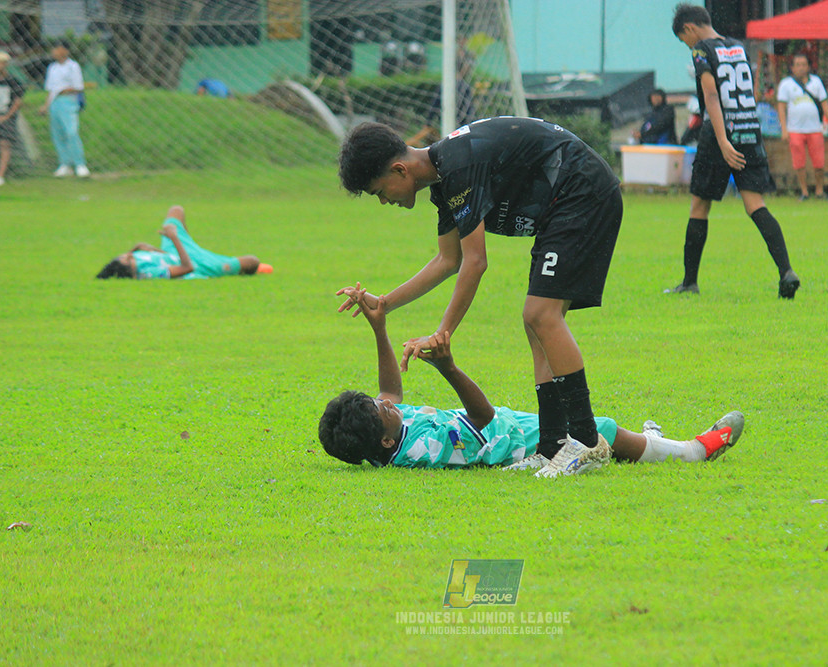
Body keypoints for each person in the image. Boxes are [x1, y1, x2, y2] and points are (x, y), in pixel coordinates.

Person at [336, 116, 623, 477]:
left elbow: (476, 261)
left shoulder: (458, 166)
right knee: (536, 324)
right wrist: (385, 302)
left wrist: (443, 334)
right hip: (563, 206)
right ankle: (552, 446)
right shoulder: (444, 180)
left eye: (380, 191)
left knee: (541, 314)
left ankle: (585, 440)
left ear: (399, 170)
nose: (383, 201)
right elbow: (448, 260)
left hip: (583, 193)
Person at [320, 284, 745, 472]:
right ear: (387, 441)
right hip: (514, 443)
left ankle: (651, 444)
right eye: (383, 412)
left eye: (379, 404)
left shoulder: (382, 445)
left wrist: (379, 327)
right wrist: (449, 367)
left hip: (509, 427)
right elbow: (483, 421)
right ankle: (691, 452)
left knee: (591, 425)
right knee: (599, 431)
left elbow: (390, 390)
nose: (388, 404)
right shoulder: (426, 448)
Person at [666, 4, 800, 299]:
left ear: (689, 29)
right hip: (749, 129)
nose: (687, 45)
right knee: (755, 204)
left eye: (683, 39)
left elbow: (712, 94)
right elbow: (748, 91)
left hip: (719, 134)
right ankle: (786, 270)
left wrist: (723, 140)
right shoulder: (738, 47)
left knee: (699, 205)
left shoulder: (702, 50)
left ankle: (689, 282)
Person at [95, 205, 272, 280]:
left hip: (177, 251)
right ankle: (237, 267)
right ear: (129, 271)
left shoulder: (136, 258)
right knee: (252, 261)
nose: (129, 255)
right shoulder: (149, 273)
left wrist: (147, 248)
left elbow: (165, 258)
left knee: (176, 211)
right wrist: (174, 238)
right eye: (127, 259)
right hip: (197, 263)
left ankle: (191, 244)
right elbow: (187, 268)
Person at [777, 53, 828, 201]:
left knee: (819, 162)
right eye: (798, 65)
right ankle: (804, 191)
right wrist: (784, 129)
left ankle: (819, 190)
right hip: (795, 129)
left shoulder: (816, 82)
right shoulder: (786, 84)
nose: (801, 68)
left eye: (804, 64)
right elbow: (781, 107)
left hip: (815, 129)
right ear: (792, 67)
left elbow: (824, 103)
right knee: (799, 162)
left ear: (808, 67)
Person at [38, 42, 88, 178]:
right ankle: (65, 164)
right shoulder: (52, 67)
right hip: (55, 102)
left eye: (57, 49)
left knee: (71, 132)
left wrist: (63, 89)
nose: (54, 51)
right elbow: (50, 90)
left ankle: (80, 164)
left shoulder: (73, 66)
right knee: (58, 134)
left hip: (68, 100)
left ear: (65, 51)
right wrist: (45, 106)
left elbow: (78, 87)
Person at [0, 51, 25, 187]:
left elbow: (17, 101)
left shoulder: (13, 82)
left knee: (5, 145)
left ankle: (0, 176)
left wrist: (7, 116)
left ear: (5, 64)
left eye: (0, 63)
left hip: (8, 117)